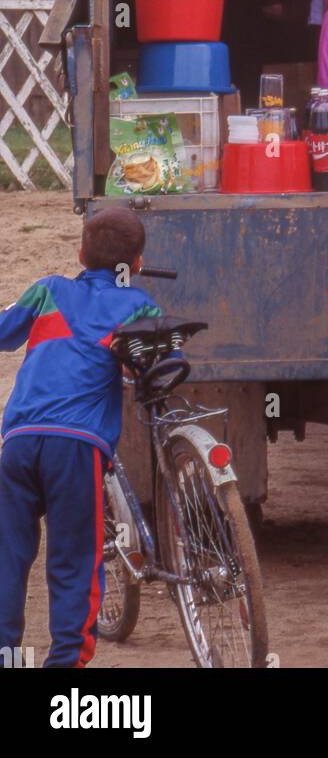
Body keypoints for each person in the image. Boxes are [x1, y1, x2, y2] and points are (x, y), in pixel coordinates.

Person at [0, 210, 162, 668]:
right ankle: (65, 664)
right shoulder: (139, 304)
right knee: (74, 561)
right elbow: (152, 364)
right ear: (137, 262)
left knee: (9, 556)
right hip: (76, 446)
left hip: (18, 440)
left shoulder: (48, 289)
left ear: (80, 255)